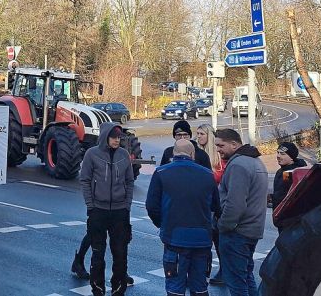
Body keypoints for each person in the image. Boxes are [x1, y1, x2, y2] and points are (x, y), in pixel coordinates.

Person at [146, 139, 221, 296]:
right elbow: (216, 207)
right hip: (202, 239)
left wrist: (162, 224)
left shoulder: (161, 173)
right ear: (193, 153)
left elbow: (152, 206)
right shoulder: (208, 175)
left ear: (173, 153)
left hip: (175, 237)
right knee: (200, 286)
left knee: (175, 286)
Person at [73, 123, 135, 296]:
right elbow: (84, 179)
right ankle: (98, 289)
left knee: (120, 253)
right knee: (98, 254)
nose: (117, 140)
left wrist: (127, 205)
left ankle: (118, 288)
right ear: (106, 136)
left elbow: (130, 181)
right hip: (98, 211)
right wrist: (90, 205)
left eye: (119, 137)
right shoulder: (92, 154)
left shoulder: (123, 155)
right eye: (114, 137)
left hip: (120, 211)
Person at [214, 128, 268, 296]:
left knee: (236, 282)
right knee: (245, 277)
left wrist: (222, 226)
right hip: (252, 230)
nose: (218, 149)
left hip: (236, 232)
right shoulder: (256, 162)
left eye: (221, 145)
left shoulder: (238, 165)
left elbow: (235, 204)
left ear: (234, 144)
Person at [196, 123, 226, 285]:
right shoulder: (196, 153)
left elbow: (219, 178)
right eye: (198, 133)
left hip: (213, 203)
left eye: (202, 133)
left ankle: (223, 269)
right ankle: (201, 272)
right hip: (200, 203)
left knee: (217, 239)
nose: (199, 136)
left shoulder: (217, 157)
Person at [270, 142, 307, 208]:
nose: (278, 156)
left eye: (282, 154)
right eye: (278, 152)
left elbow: (285, 195)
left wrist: (272, 198)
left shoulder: (289, 172)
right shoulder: (283, 170)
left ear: (291, 157)